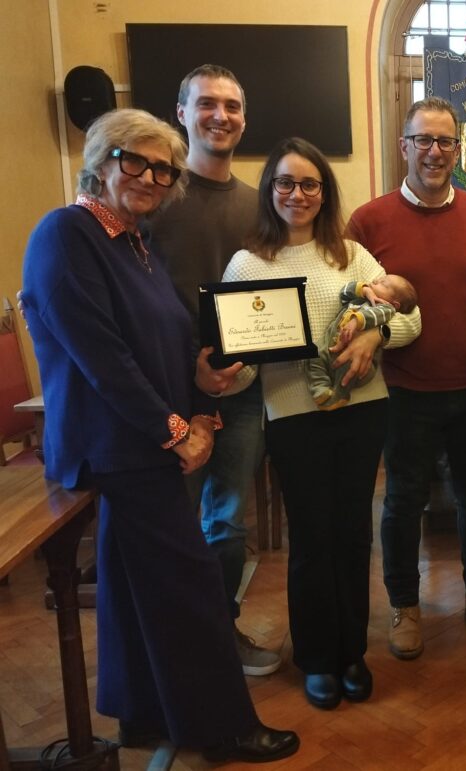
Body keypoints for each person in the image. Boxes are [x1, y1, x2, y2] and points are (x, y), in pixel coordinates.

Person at [20, 108, 298, 762]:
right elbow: (102, 355)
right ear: (100, 161)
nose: (149, 176)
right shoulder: (66, 233)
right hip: (118, 446)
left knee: (128, 582)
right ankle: (221, 727)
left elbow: (161, 344)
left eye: (163, 169)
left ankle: (141, 713)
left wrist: (200, 387)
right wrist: (175, 430)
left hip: (141, 442)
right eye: (134, 161)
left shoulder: (133, 243)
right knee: (190, 582)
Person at [222, 137, 421, 709]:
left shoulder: (352, 256)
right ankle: (315, 657)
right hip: (293, 417)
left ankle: (352, 652)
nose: (298, 194)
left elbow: (412, 319)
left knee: (353, 533)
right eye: (285, 182)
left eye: (310, 183)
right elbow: (241, 366)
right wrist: (231, 369)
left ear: (324, 192)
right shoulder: (247, 264)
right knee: (312, 538)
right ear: (270, 190)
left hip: (363, 411)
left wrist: (375, 336)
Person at [346, 97, 466, 660]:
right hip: (403, 391)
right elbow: (353, 303)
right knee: (402, 501)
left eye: (445, 141)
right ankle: (405, 606)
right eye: (423, 140)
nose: (434, 152)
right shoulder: (368, 221)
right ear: (404, 147)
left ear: (459, 150)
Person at [142, 64, 277, 676]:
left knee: (228, 523)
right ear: (181, 113)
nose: (220, 116)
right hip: (168, 392)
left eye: (232, 105)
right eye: (206, 104)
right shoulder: (155, 199)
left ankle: (220, 635)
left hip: (241, 390)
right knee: (173, 523)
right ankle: (174, 651)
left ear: (244, 118)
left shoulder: (260, 204)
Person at [307, 274, 418, 410]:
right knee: (314, 355)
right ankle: (320, 387)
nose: (376, 280)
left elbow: (373, 315)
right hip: (329, 348)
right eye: (379, 279)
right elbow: (344, 292)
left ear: (394, 304)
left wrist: (356, 320)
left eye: (383, 283)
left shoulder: (386, 309)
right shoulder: (357, 300)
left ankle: (340, 394)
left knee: (348, 368)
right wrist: (364, 289)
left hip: (357, 362)